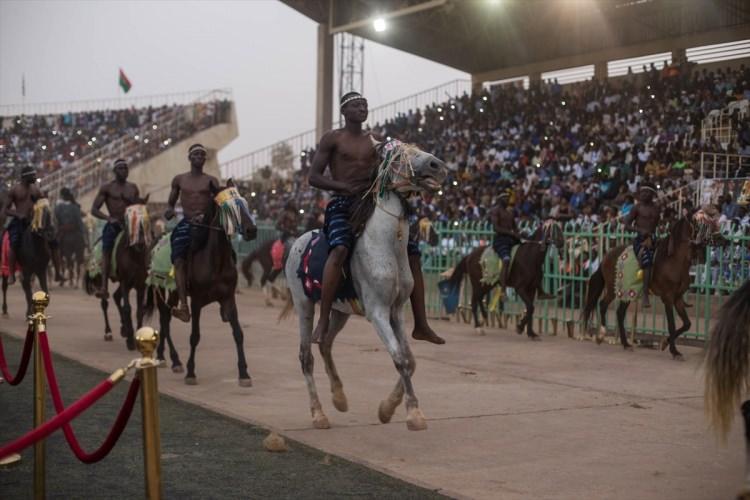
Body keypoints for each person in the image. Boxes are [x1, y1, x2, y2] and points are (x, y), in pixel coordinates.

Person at [308, 91, 444, 345]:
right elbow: (313, 177)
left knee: (412, 250)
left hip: (373, 202)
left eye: (365, 105)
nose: (362, 108)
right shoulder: (332, 139)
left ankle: (422, 324)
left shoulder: (379, 141)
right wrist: (341, 187)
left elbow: (401, 163)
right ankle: (324, 319)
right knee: (338, 249)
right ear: (344, 111)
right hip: (342, 203)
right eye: (357, 105)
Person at [164, 143, 221, 322]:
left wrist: (205, 216)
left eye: (202, 155)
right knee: (179, 258)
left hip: (207, 224)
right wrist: (169, 210)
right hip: (187, 223)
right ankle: (183, 306)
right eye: (195, 154)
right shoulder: (179, 180)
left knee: (226, 249)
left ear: (205, 159)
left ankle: (225, 289)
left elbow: (218, 203)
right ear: (189, 158)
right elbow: (170, 203)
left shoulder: (211, 180)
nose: (199, 157)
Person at [90, 159, 141, 299]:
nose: (124, 170)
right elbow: (94, 209)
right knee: (106, 248)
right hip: (114, 224)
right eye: (120, 168)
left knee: (145, 242)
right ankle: (104, 286)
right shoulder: (107, 188)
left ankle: (146, 275)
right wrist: (108, 218)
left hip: (131, 223)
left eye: (126, 168)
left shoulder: (133, 187)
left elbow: (137, 206)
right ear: (114, 171)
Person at [0, 166, 44, 284]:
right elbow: (5, 210)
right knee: (14, 242)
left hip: (34, 221)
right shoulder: (15, 189)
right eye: (33, 175)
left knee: (51, 240)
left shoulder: (36, 189)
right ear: (26, 177)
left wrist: (44, 200)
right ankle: (11, 273)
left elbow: (43, 203)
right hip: (19, 222)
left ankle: (54, 271)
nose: (35, 177)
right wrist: (18, 214)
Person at [623, 182, 661, 308]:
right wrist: (640, 230)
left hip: (654, 237)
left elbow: (657, 224)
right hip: (640, 239)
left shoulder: (657, 208)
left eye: (646, 192)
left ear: (652, 194)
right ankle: (645, 294)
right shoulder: (636, 208)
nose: (643, 195)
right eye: (642, 192)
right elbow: (627, 225)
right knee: (647, 259)